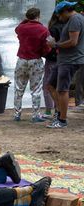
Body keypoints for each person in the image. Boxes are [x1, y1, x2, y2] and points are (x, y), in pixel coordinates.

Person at [45, 1, 84, 129]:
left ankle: (62, 120)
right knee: (50, 85)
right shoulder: (73, 19)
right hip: (63, 59)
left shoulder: (75, 20)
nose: (59, 19)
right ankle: (60, 112)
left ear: (65, 11)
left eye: (59, 15)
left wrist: (55, 45)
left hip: (70, 60)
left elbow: (73, 42)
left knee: (62, 89)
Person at [13, 7, 51, 122]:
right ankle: (35, 115)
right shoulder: (43, 30)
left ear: (27, 17)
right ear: (38, 16)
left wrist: (26, 21)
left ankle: (17, 114)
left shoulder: (21, 28)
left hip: (22, 60)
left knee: (19, 88)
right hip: (35, 61)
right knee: (36, 89)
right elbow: (47, 47)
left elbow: (17, 29)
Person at [43, 13, 66, 117]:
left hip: (52, 60)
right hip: (64, 60)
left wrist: (44, 53)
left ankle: (49, 110)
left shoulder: (53, 29)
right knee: (60, 87)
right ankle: (59, 110)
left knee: (48, 85)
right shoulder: (67, 27)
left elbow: (49, 45)